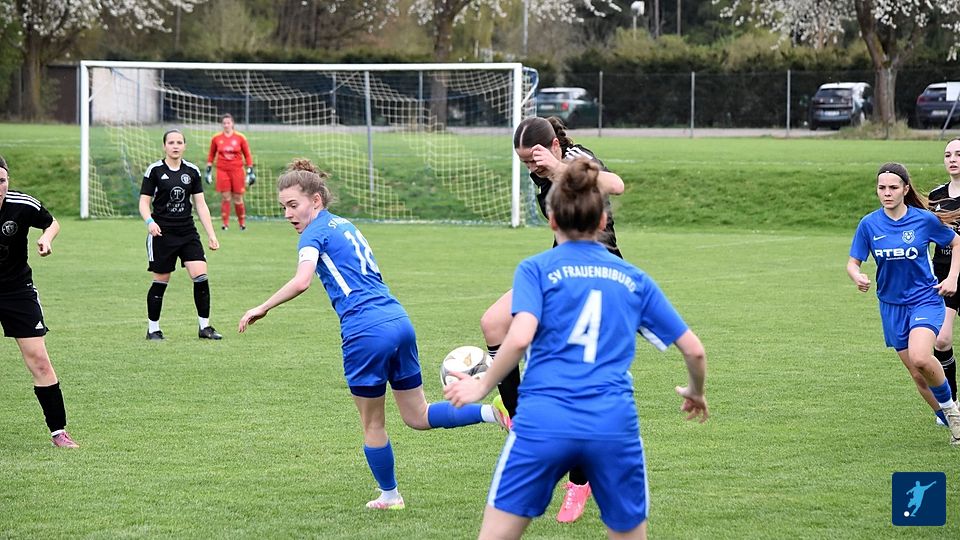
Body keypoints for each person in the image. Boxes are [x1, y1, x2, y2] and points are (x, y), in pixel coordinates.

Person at [445, 158, 708, 540]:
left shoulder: (535, 270)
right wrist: (695, 391)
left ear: (552, 220)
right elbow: (694, 350)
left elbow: (519, 337)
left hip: (543, 420)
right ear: (602, 221)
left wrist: (481, 386)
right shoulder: (633, 279)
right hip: (612, 423)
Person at [238, 158, 505, 510]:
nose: (288, 214)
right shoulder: (345, 225)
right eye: (283, 207)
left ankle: (390, 496)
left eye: (292, 205)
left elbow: (302, 281)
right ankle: (494, 413)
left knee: (373, 424)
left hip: (365, 332)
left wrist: (263, 306)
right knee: (417, 415)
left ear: (315, 200)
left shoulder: (313, 233)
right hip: (398, 320)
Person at [479, 115, 625, 523]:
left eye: (535, 158)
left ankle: (580, 480)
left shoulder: (575, 156)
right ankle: (522, 423)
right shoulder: (540, 173)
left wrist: (560, 167)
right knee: (493, 322)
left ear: (555, 146)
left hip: (595, 274)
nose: (532, 167)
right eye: (525, 161)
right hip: (559, 268)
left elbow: (615, 185)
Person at [847, 162, 960, 445]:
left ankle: (953, 412)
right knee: (918, 376)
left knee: (922, 357)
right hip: (891, 306)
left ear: (905, 189)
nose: (887, 193)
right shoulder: (869, 224)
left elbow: (957, 243)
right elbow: (853, 262)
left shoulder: (923, 220)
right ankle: (948, 418)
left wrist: (952, 278)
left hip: (924, 300)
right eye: (882, 188)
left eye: (893, 188)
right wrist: (857, 275)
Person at [0, 155, 78, 448]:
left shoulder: (22, 204)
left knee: (40, 360)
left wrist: (47, 238)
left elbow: (52, 222)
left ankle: (59, 432)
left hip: (17, 291)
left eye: (2, 181)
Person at [140, 129, 222, 341]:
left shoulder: (192, 171)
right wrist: (150, 222)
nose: (175, 146)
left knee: (201, 276)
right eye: (171, 142)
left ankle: (205, 327)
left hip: (187, 232)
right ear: (164, 146)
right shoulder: (155, 170)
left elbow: (200, 205)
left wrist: (211, 234)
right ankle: (153, 330)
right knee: (161, 280)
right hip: (162, 233)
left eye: (179, 142)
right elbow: (144, 202)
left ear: (184, 146)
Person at [928, 137, 960, 406]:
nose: (953, 159)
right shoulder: (936, 196)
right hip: (944, 276)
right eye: (948, 155)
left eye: (958, 154)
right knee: (941, 340)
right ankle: (952, 403)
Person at [206, 113, 255, 231]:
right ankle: (225, 224)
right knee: (225, 197)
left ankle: (242, 223)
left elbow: (247, 154)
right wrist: (209, 169)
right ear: (221, 125)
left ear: (232, 124)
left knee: (238, 197)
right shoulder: (216, 138)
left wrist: (250, 169)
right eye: (224, 123)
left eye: (228, 123)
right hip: (222, 170)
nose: (226, 125)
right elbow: (211, 154)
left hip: (237, 170)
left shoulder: (240, 138)